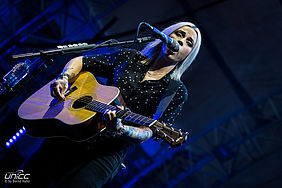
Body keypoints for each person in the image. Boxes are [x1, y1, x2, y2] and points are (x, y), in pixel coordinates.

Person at [12, 22, 201, 188]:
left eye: (189, 43)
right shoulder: (129, 57)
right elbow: (81, 61)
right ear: (167, 35)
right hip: (72, 129)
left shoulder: (176, 92)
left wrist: (121, 128)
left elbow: (148, 131)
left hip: (105, 155)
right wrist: (63, 79)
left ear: (188, 55)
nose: (181, 41)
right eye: (179, 34)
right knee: (22, 179)